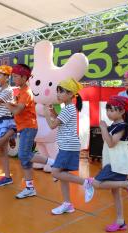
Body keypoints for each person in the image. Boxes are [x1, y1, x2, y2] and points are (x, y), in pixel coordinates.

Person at [83, 95, 128, 232]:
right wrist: (105, 128)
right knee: (115, 192)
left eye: (112, 110)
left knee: (95, 183)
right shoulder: (114, 125)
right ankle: (120, 221)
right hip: (111, 161)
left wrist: (103, 128)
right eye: (107, 109)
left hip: (118, 162)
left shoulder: (122, 126)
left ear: (122, 111)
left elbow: (111, 143)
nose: (108, 113)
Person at [42, 77, 89, 215]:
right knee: (62, 175)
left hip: (68, 145)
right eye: (58, 91)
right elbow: (61, 122)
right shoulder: (67, 108)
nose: (58, 94)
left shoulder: (68, 109)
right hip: (67, 145)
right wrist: (54, 114)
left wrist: (45, 113)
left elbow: (52, 126)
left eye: (61, 91)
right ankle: (67, 204)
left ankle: (86, 183)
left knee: (56, 172)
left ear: (70, 94)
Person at [4, 64, 38, 199]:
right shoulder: (21, 91)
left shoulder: (26, 92)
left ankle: (52, 163)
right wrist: (11, 103)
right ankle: (30, 188)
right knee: (25, 160)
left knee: (24, 155)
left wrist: (7, 105)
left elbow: (17, 110)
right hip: (24, 127)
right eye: (13, 77)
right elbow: (18, 107)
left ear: (24, 77)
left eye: (16, 76)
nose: (14, 79)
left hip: (28, 126)